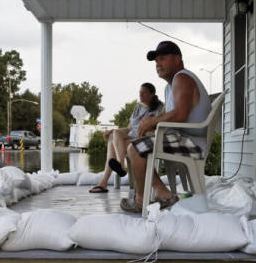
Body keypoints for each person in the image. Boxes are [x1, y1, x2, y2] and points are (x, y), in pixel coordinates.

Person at [120, 40, 211, 213]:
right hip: (186, 138)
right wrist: (151, 128)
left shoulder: (182, 78)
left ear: (177, 59)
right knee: (136, 145)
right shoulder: (171, 85)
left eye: (162, 58)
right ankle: (163, 193)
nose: (158, 64)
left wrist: (152, 121)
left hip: (193, 143)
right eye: (156, 61)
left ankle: (144, 199)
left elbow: (180, 114)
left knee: (134, 149)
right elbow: (172, 119)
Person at [88, 82, 163, 193]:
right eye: (139, 93)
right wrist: (113, 131)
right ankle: (121, 165)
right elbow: (129, 128)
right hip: (131, 137)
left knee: (112, 143)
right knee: (114, 135)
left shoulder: (159, 108)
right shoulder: (138, 107)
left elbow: (157, 128)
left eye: (144, 93)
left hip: (144, 139)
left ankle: (104, 182)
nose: (140, 95)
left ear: (152, 94)